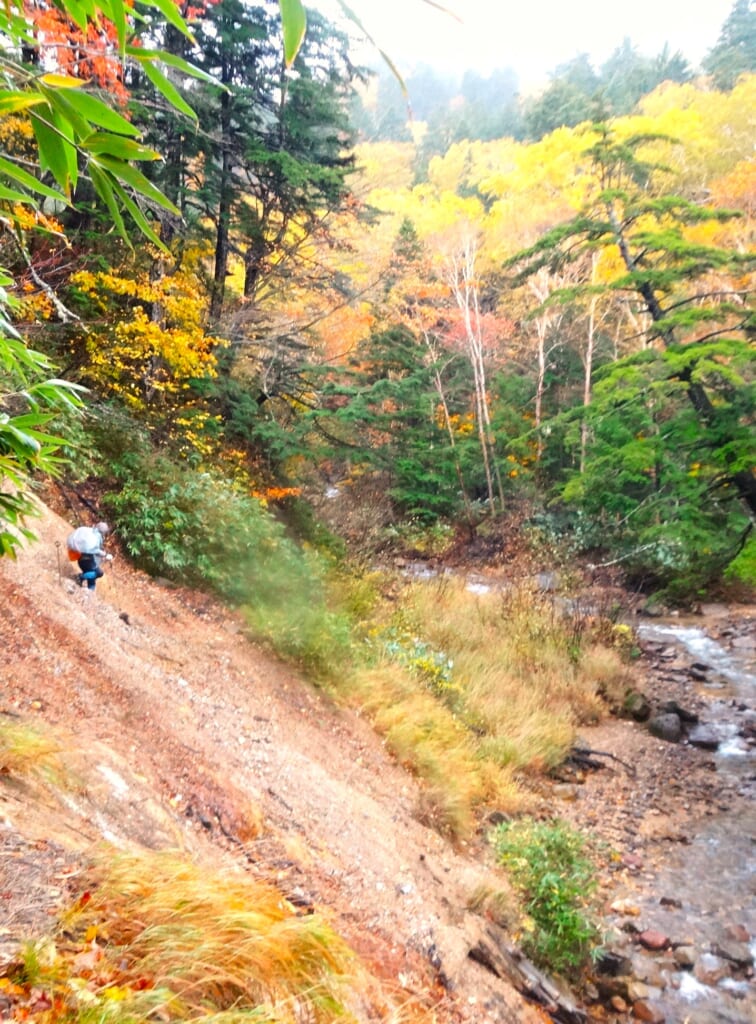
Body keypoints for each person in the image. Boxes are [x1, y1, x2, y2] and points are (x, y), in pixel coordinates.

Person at [67, 522, 112, 591]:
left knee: (92, 583)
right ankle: (80, 577)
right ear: (103, 532)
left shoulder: (87, 531)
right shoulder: (96, 537)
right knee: (99, 573)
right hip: (87, 561)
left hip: (81, 559)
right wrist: (105, 555)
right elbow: (94, 550)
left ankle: (87, 593)